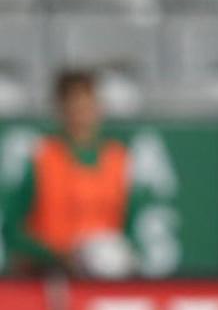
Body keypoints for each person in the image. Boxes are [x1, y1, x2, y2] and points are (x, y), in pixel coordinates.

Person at [2, 70, 141, 277]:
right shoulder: (43, 158)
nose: (82, 116)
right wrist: (56, 256)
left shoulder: (118, 159)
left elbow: (131, 225)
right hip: (50, 274)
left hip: (106, 273)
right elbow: (12, 229)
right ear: (61, 111)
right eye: (74, 108)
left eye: (87, 106)